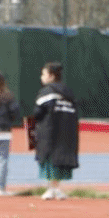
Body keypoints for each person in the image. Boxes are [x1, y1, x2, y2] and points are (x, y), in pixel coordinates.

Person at [33, 61, 80, 201]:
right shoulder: (69, 92)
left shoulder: (46, 92)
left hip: (49, 132)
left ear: (52, 76)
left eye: (44, 74)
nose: (41, 77)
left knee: (50, 159)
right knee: (60, 158)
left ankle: (52, 189)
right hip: (66, 132)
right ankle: (56, 188)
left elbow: (37, 112)